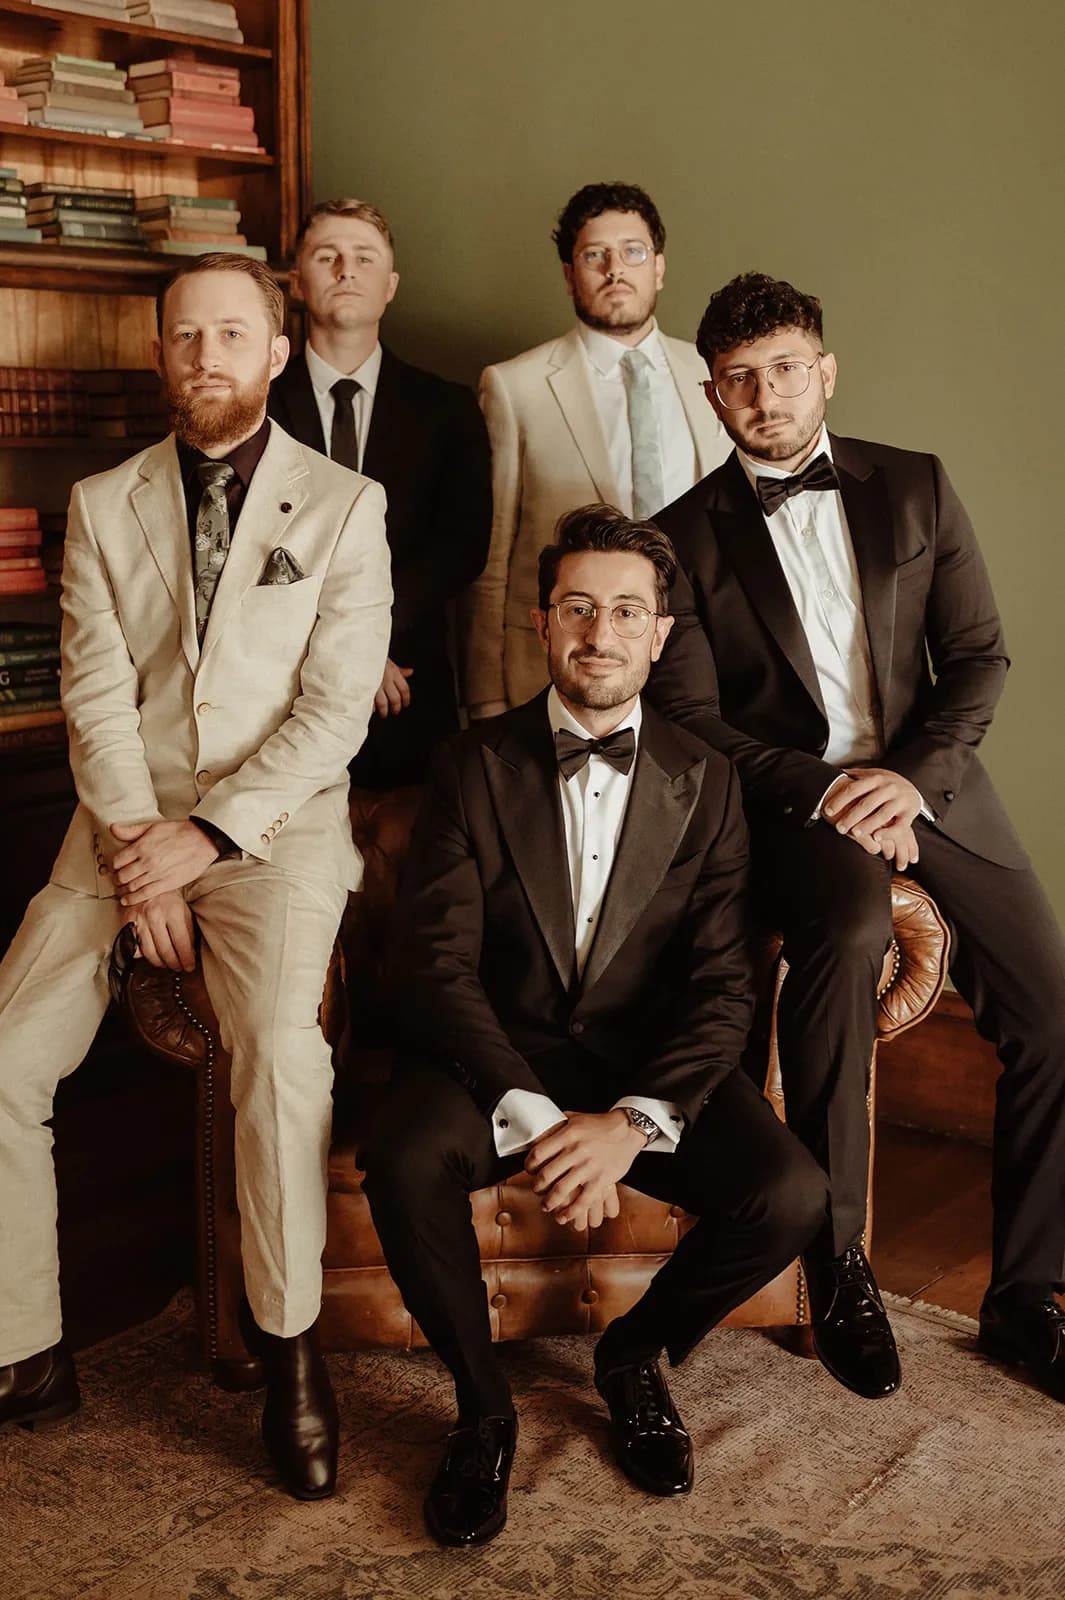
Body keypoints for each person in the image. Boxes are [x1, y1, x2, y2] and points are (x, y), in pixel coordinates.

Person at [0, 255, 392, 1499]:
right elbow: (96, 696)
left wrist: (210, 838)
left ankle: (289, 1354)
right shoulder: (103, 500)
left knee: (279, 1052)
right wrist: (138, 852)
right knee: (4, 1054)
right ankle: (25, 1347)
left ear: (277, 351)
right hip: (118, 831)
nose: (206, 357)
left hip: (275, 832)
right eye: (185, 338)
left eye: (232, 335)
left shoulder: (345, 504)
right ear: (159, 353)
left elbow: (334, 714)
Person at [362, 505, 828, 1546]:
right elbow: (431, 964)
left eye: (626, 610)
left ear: (661, 632)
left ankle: (633, 1355)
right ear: (542, 622)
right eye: (579, 607)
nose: (600, 632)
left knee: (793, 1191)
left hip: (640, 1058)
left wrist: (632, 1118)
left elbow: (721, 988)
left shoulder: (706, 784)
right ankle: (484, 1409)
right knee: (400, 1159)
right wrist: (532, 1110)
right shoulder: (471, 763)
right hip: (492, 1049)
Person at [647, 270, 1065, 1405]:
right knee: (842, 935)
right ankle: (838, 1265)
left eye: (785, 368)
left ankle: (1028, 1296)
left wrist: (908, 779)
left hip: (935, 789)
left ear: (825, 371)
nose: (765, 393)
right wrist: (835, 792)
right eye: (739, 378)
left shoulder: (916, 486)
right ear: (712, 394)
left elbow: (978, 656)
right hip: (801, 803)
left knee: (1051, 1008)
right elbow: (690, 720)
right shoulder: (678, 539)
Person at [462, 182, 730, 719]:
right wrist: (486, 693)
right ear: (569, 275)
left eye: (633, 252)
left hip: (705, 668)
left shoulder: (713, 375)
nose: (616, 269)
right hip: (558, 667)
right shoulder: (517, 387)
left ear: (658, 267)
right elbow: (493, 557)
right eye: (594, 255)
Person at [269, 198, 491, 788]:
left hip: (407, 688)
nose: (347, 270)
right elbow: (245, 545)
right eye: (328, 256)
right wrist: (341, 654)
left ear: (389, 285)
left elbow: (462, 545)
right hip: (274, 688)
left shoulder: (447, 408)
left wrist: (370, 644)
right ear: (297, 281)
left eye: (364, 258)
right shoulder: (256, 408)